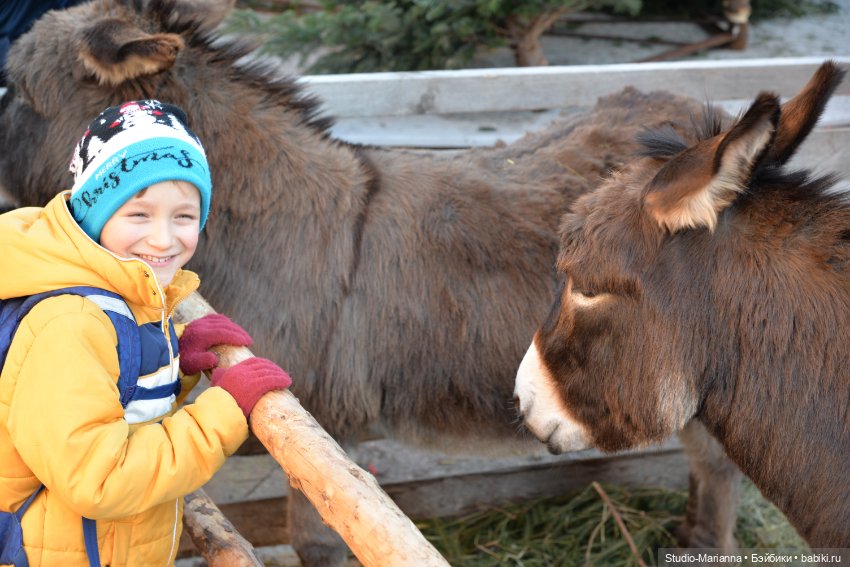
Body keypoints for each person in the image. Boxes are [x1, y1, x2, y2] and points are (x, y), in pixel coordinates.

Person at [0, 99, 292, 566]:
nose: (163, 238)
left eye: (184, 216)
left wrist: (172, 361)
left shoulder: (119, 290)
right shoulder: (70, 323)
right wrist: (225, 412)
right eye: (139, 215)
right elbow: (101, 478)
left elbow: (111, 404)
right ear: (97, 212)